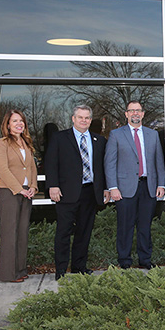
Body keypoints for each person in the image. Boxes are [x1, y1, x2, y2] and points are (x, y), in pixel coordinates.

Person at [46, 105, 108, 280]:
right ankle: (61, 270)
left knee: (84, 232)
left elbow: (102, 168)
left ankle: (79, 267)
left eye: (87, 118)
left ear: (90, 120)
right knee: (63, 232)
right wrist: (53, 185)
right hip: (66, 193)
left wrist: (105, 188)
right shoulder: (59, 138)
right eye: (80, 117)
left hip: (90, 193)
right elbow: (51, 163)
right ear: (73, 118)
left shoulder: (99, 140)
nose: (84, 120)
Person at [105, 101, 165, 269]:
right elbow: (109, 163)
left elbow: (159, 161)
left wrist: (161, 184)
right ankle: (124, 261)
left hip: (149, 187)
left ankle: (145, 260)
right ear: (126, 114)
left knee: (145, 227)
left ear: (143, 114)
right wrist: (113, 187)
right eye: (132, 111)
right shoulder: (116, 134)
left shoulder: (152, 135)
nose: (135, 114)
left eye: (138, 110)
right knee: (125, 227)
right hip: (124, 189)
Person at [0, 110, 37, 282]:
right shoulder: (1, 143)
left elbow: (32, 168)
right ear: (8, 124)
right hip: (9, 192)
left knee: (22, 232)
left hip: (26, 192)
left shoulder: (26, 143)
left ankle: (20, 270)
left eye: (21, 121)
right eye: (15, 121)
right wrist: (18, 189)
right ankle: (8, 274)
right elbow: (2, 169)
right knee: (10, 233)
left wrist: (33, 186)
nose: (19, 124)